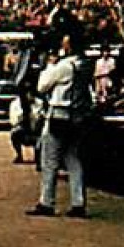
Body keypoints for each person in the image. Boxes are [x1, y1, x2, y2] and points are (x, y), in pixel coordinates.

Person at [27, 31, 95, 218]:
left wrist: (50, 65)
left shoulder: (64, 66)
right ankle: (78, 202)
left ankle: (46, 201)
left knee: (50, 160)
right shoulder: (86, 65)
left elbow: (42, 86)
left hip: (59, 114)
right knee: (73, 158)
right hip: (78, 116)